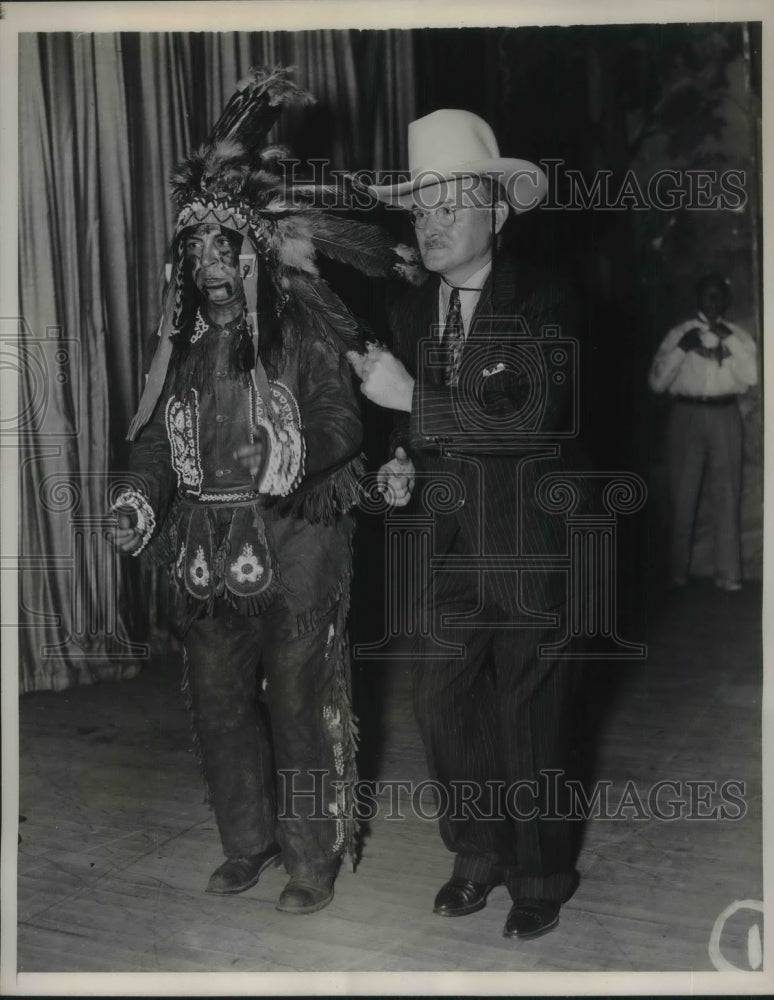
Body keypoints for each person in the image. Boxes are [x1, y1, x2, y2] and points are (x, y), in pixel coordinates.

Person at [110, 68, 415, 914]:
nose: (211, 265)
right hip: (208, 559)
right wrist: (137, 496)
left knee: (296, 698)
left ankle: (310, 862)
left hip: (297, 542)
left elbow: (343, 420)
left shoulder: (303, 332)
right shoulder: (183, 351)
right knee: (216, 703)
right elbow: (152, 440)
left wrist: (299, 450)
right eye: (197, 250)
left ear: (254, 255)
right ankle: (246, 843)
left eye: (226, 248)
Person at [349, 109, 588, 940]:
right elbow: (424, 428)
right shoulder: (415, 312)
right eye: (420, 208)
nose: (432, 222)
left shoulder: (546, 300)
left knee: (530, 712)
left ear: (498, 209)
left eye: (451, 204)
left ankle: (541, 870)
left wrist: (410, 398)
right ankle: (478, 852)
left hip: (529, 549)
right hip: (448, 548)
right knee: (440, 703)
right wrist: (403, 461)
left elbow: (526, 413)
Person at [648, 274, 757, 591]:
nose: (714, 302)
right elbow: (656, 383)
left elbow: (753, 376)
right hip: (686, 413)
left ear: (726, 300)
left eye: (719, 296)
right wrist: (682, 350)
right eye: (708, 296)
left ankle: (729, 574)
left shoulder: (737, 335)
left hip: (726, 414)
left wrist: (730, 342)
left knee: (728, 491)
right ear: (698, 298)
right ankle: (676, 573)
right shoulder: (679, 335)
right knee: (682, 493)